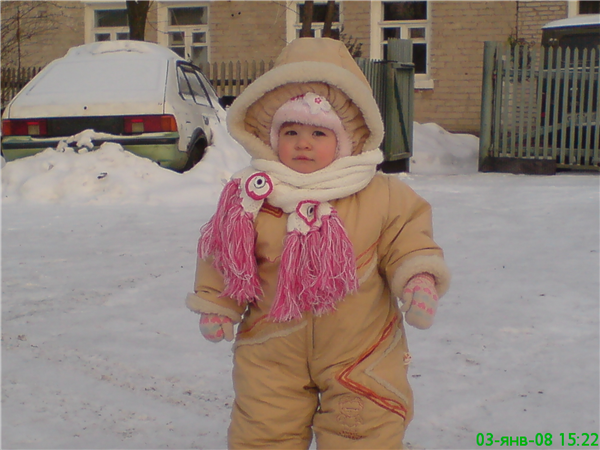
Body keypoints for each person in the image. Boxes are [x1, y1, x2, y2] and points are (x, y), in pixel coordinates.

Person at [185, 37, 451, 449]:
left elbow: (409, 237)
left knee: (363, 431)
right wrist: (219, 304)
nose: (303, 143)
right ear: (271, 138)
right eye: (290, 131)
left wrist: (417, 278)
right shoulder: (251, 197)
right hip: (271, 348)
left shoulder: (379, 194)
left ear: (346, 139)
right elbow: (226, 255)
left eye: (318, 132)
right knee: (264, 431)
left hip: (362, 350)